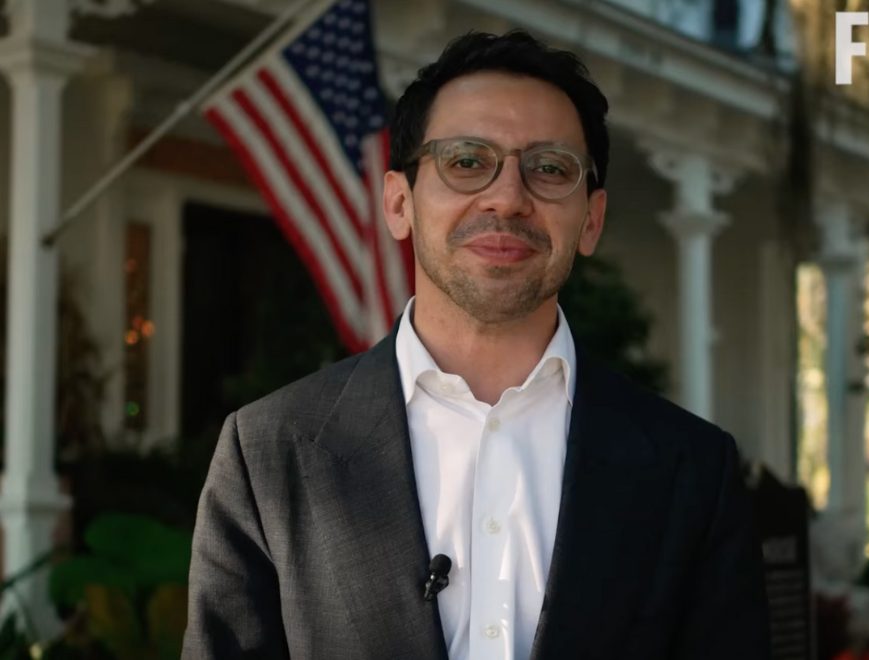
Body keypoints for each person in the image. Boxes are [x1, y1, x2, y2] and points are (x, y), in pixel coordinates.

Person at [182, 30, 769, 660]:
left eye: (549, 169)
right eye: (466, 161)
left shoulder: (692, 471)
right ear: (399, 203)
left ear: (591, 219)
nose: (507, 198)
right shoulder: (268, 455)